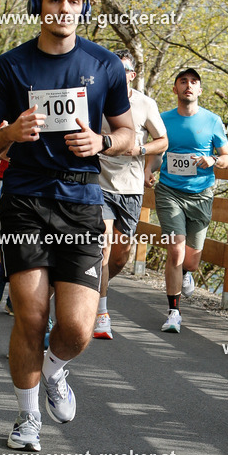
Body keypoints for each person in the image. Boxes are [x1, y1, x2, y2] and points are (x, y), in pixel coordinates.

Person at [0, 0, 134, 452]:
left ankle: (57, 371)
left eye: (72, 1)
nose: (63, 9)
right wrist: (9, 134)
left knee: (78, 329)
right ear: (37, 4)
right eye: (54, 0)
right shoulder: (11, 66)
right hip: (25, 201)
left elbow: (129, 136)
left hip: (83, 202)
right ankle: (26, 420)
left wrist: (101, 140)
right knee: (31, 316)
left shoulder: (104, 64)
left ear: (83, 6)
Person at [146, 67, 228, 333]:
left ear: (200, 90)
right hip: (169, 191)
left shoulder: (213, 121)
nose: (188, 86)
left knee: (191, 261)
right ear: (176, 89)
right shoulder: (163, 120)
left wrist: (214, 159)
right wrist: (150, 170)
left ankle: (186, 273)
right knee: (175, 251)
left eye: (194, 82)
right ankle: (174, 312)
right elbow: (159, 153)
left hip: (201, 194)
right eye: (183, 81)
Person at [94, 49, 168, 339]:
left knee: (121, 254)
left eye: (123, 69)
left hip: (131, 187)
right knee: (103, 247)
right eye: (112, 67)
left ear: (132, 74)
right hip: (97, 184)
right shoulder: (95, 97)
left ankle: (91, 287)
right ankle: (101, 311)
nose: (117, 72)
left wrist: (142, 153)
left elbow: (162, 141)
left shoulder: (145, 104)